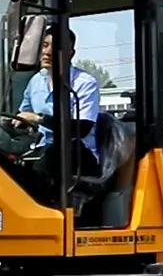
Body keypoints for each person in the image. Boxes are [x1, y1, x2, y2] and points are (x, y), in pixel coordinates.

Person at [15, 25, 101, 176]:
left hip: (78, 154)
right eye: (44, 45)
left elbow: (82, 128)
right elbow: (23, 113)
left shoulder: (84, 83)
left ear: (70, 53)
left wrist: (38, 119)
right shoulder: (36, 81)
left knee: (48, 160)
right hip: (42, 148)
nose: (47, 53)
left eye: (55, 48)